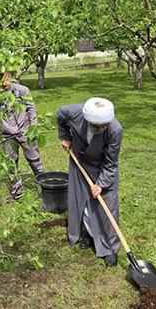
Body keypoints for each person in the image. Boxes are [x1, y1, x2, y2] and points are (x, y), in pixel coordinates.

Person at [57, 97, 122, 267]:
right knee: (82, 201)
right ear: (87, 119)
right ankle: (89, 235)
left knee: (107, 205)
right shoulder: (73, 112)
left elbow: (111, 163)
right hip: (80, 161)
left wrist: (101, 183)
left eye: (102, 126)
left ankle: (109, 247)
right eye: (94, 126)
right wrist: (66, 137)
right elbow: (59, 114)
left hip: (102, 167)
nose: (98, 129)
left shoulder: (115, 130)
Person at [0, 72, 45, 199]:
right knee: (11, 164)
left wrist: (33, 128)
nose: (3, 82)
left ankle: (44, 186)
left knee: (35, 161)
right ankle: (17, 190)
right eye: (0, 79)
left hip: (25, 132)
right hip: (7, 135)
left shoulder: (22, 90)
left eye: (6, 78)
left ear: (10, 77)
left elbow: (31, 109)